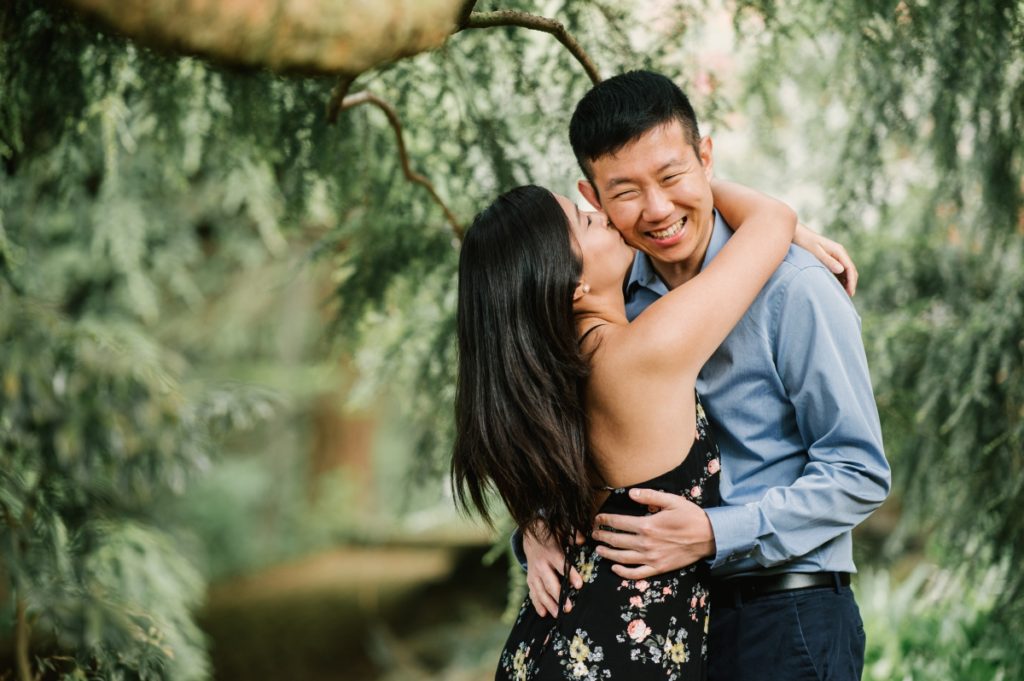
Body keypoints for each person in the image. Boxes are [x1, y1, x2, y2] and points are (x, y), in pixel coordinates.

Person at [521, 70, 892, 681]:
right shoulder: (612, 303)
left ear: (706, 158)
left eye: (672, 176)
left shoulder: (794, 289)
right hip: (663, 628)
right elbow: (568, 447)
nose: (659, 209)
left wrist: (717, 532)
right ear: (593, 198)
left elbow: (859, 473)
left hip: (784, 613)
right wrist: (535, 528)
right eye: (627, 192)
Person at [453, 177, 816, 678]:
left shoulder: (547, 382)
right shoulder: (640, 354)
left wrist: (536, 526)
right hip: (617, 658)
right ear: (571, 282)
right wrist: (682, 182)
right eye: (585, 221)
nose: (601, 215)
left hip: (551, 650)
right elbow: (773, 220)